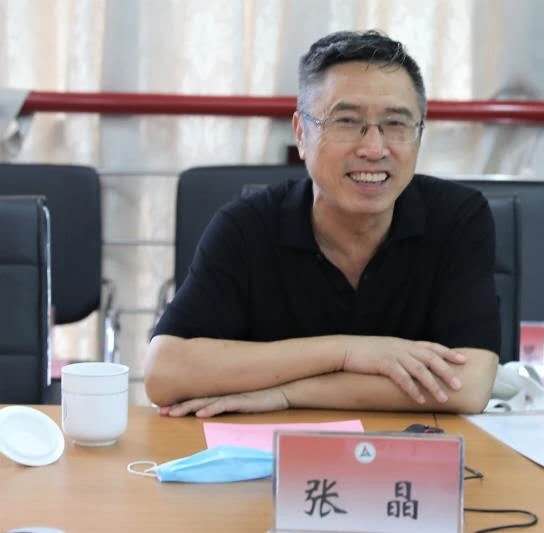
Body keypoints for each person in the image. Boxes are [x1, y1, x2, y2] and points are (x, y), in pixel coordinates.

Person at [145, 30, 500, 417]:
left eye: (396, 124)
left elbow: (468, 387)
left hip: (418, 449)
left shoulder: (457, 217)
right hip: (270, 449)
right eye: (346, 121)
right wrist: (348, 351)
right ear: (301, 133)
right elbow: (165, 374)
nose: (374, 148)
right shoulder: (246, 226)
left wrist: (287, 393)